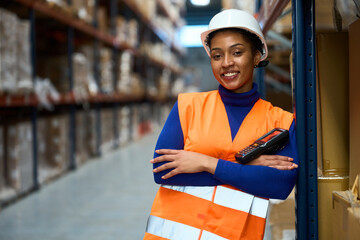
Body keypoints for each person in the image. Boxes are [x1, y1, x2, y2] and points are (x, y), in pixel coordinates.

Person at [143, 9, 299, 240]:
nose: (226, 63)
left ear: (257, 56)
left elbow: (279, 185)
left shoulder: (281, 121)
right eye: (217, 56)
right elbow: (163, 171)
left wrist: (205, 162)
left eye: (237, 52)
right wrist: (248, 167)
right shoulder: (188, 106)